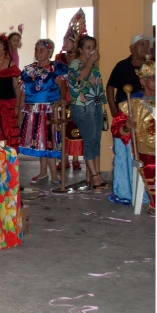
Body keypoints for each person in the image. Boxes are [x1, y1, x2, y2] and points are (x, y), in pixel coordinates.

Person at [18, 39, 67, 184]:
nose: (37, 53)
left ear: (50, 52)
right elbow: (23, 93)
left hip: (48, 111)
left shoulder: (57, 68)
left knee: (48, 141)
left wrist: (62, 100)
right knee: (39, 142)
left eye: (41, 50)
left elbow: (62, 86)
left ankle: (54, 176)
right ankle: (43, 172)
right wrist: (20, 113)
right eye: (36, 49)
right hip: (32, 111)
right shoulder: (28, 70)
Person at [110, 60, 155, 212]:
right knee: (153, 166)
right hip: (145, 150)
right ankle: (156, 202)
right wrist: (126, 127)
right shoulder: (132, 103)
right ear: (143, 80)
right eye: (154, 78)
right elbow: (116, 129)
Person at [67, 36, 109, 189]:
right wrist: (91, 61)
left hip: (95, 104)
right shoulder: (75, 63)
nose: (91, 50)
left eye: (93, 47)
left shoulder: (92, 65)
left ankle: (96, 174)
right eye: (88, 47)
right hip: (82, 106)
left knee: (96, 141)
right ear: (80, 49)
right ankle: (95, 176)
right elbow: (79, 79)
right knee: (89, 141)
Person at [56, 15, 85, 172]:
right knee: (62, 127)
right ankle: (64, 157)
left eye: (68, 41)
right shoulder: (59, 58)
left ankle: (75, 158)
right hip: (63, 96)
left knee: (76, 127)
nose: (64, 43)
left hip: (76, 97)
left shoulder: (81, 59)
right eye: (64, 40)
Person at [106, 34, 154, 117]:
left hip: (149, 110)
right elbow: (110, 87)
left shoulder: (153, 65)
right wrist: (114, 110)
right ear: (132, 48)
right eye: (142, 44)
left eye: (147, 45)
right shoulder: (122, 66)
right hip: (126, 112)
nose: (146, 47)